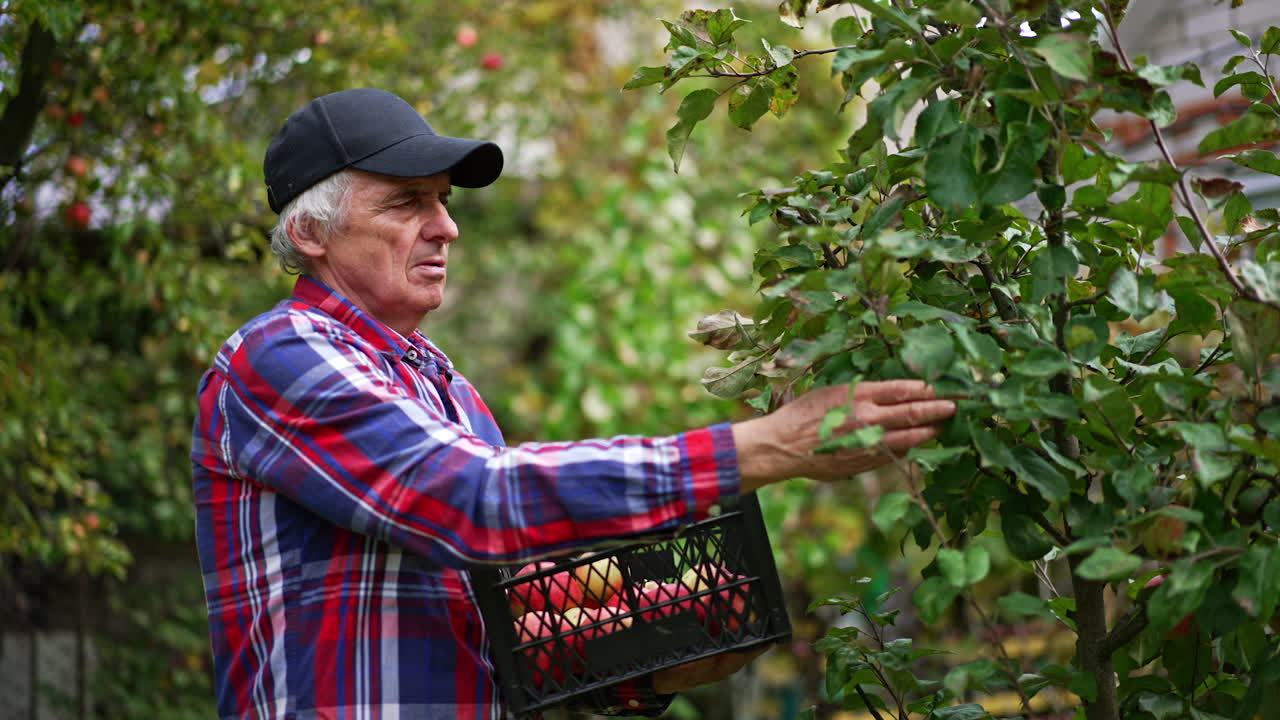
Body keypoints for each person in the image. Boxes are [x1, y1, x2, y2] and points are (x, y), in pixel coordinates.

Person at [191, 88, 957, 720]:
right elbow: (479, 498)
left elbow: (505, 641)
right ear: (310, 232)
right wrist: (765, 446)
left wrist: (649, 670)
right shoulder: (277, 357)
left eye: (444, 201)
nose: (447, 226)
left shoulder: (442, 386)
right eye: (406, 204)